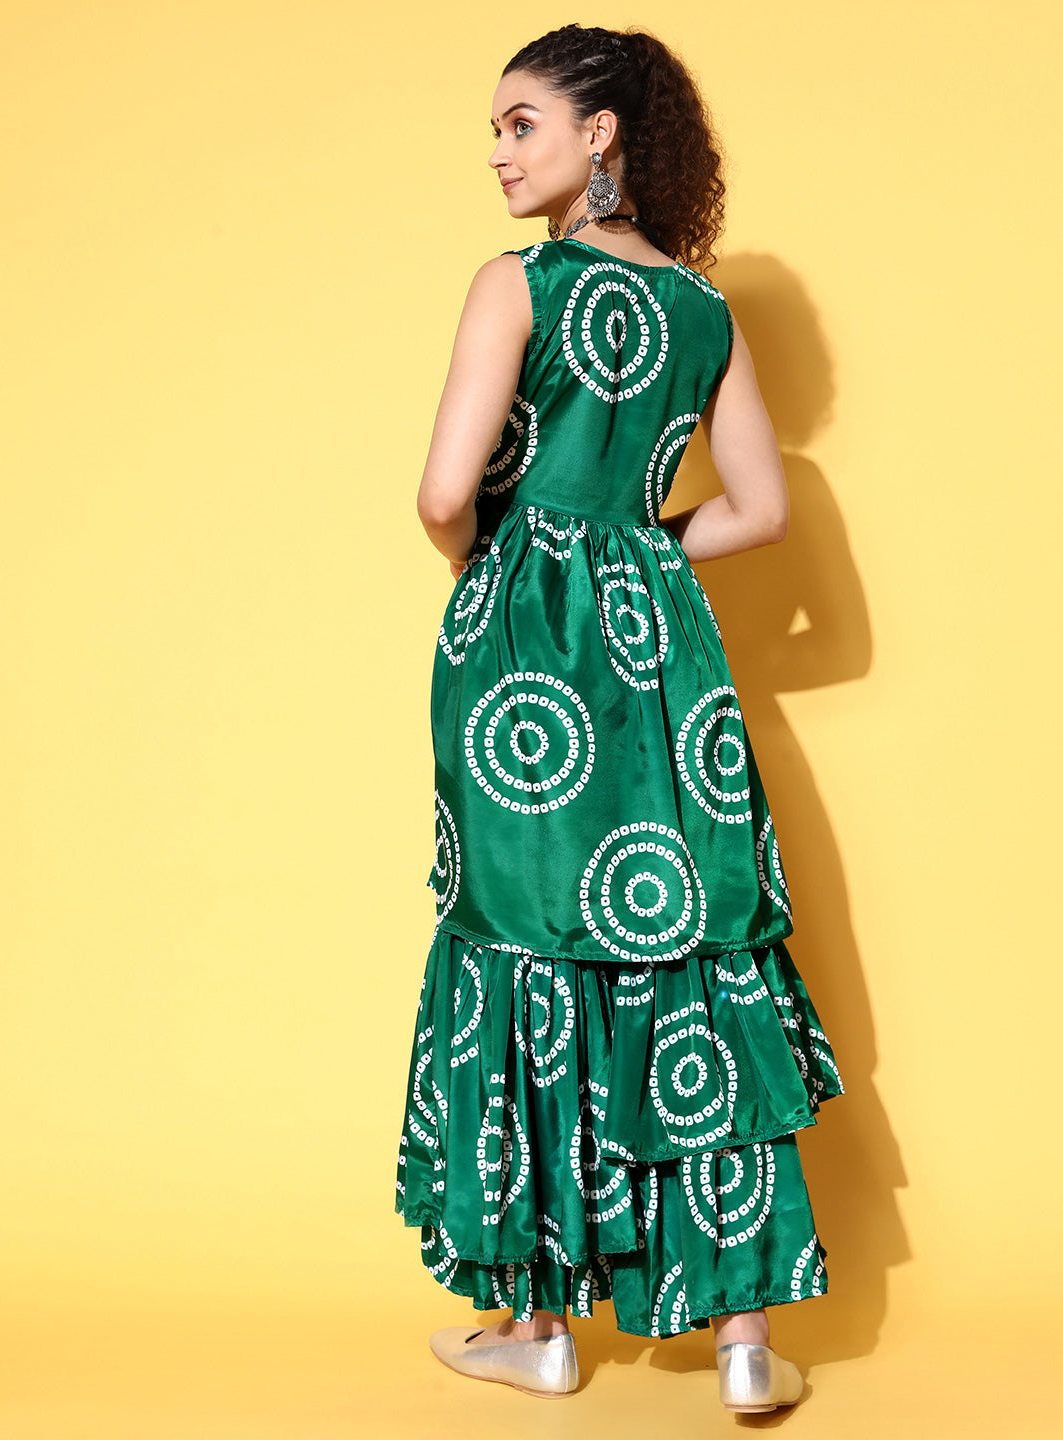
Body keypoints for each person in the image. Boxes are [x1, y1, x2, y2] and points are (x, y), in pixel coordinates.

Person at [393, 22, 845, 1412]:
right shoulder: (704, 313)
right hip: (664, 657)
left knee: (528, 934)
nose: (496, 152)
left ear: (601, 134)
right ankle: (747, 1341)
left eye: (519, 122)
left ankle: (539, 1325)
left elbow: (441, 495)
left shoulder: (517, 285)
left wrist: (512, 571)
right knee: (687, 936)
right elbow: (761, 511)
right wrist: (637, 553)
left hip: (525, 656)